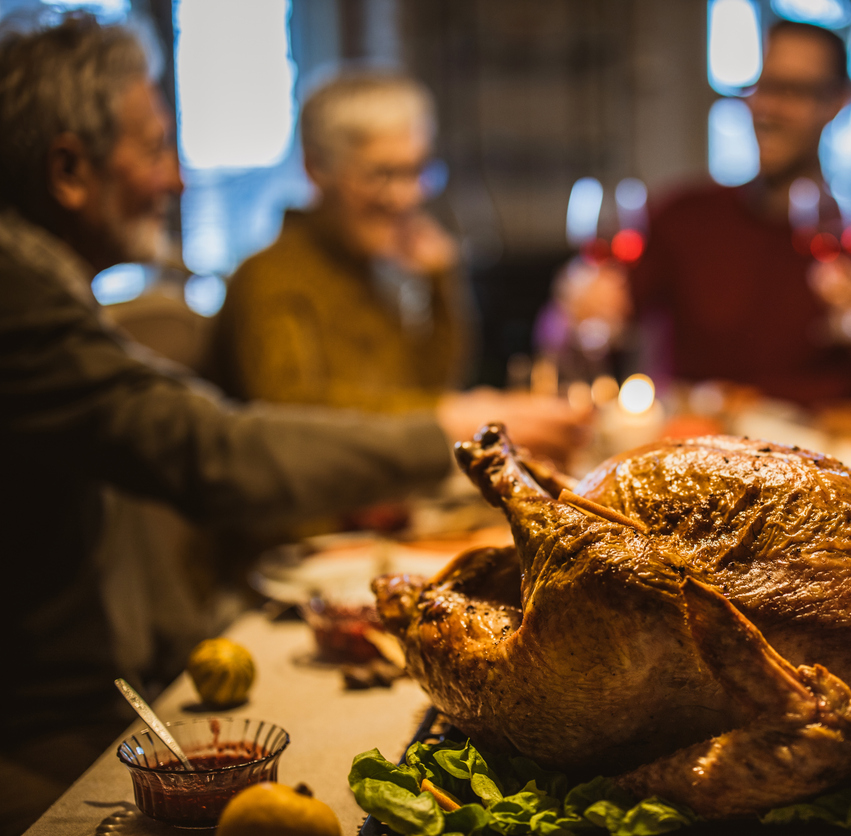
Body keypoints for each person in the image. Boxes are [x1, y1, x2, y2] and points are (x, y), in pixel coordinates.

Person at [0, 16, 565, 830]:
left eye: (415, 170)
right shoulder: (20, 294)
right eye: (155, 148)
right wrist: (445, 423)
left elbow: (422, 379)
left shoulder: (379, 268)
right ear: (67, 170)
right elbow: (226, 448)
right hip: (57, 720)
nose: (179, 179)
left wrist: (442, 295)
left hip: (123, 677)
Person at [215, 72, 583, 465]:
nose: (406, 196)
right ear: (315, 167)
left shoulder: (368, 270)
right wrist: (451, 416)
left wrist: (440, 283)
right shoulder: (268, 278)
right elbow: (295, 415)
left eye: (416, 170)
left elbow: (429, 383)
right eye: (382, 174)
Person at [558, 21, 851, 410]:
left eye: (792, 91)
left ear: (838, 103)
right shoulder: (684, 218)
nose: (766, 108)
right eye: (761, 87)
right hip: (701, 435)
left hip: (827, 441)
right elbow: (593, 339)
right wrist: (577, 317)